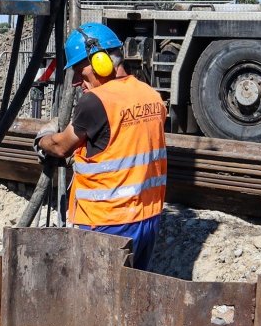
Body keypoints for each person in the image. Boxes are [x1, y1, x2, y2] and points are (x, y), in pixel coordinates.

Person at [33, 23, 168, 271]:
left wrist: (43, 139)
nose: (75, 81)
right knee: (132, 295)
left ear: (100, 61)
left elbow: (61, 147)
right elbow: (120, 143)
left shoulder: (96, 101)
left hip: (107, 223)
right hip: (147, 220)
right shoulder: (151, 96)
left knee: (96, 301)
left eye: (78, 71)